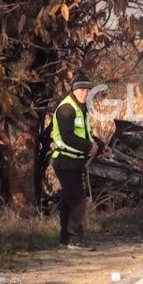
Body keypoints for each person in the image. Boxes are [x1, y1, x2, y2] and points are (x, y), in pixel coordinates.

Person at [50, 71, 111, 250]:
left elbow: (87, 134)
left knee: (69, 200)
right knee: (78, 200)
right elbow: (68, 137)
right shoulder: (67, 109)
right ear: (74, 91)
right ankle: (75, 238)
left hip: (75, 162)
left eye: (88, 90)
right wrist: (88, 147)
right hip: (65, 161)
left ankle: (65, 238)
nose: (85, 93)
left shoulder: (81, 109)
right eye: (82, 90)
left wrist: (100, 146)